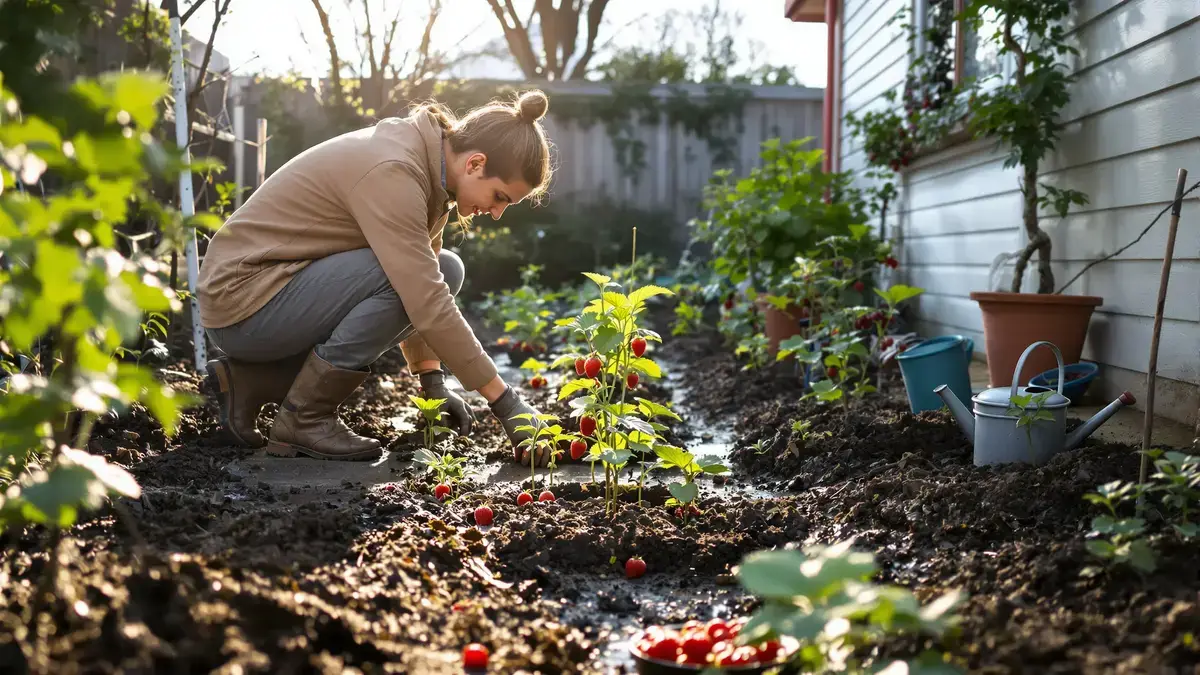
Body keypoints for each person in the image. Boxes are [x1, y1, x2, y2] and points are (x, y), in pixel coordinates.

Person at [197, 90, 554, 466]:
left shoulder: (430, 171)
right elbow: (423, 296)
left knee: (443, 268)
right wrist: (506, 403)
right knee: (424, 275)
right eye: (500, 197)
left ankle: (247, 382)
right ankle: (305, 417)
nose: (497, 212)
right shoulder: (395, 171)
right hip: (244, 299)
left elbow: (424, 279)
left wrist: (433, 382)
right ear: (475, 163)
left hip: (271, 294)